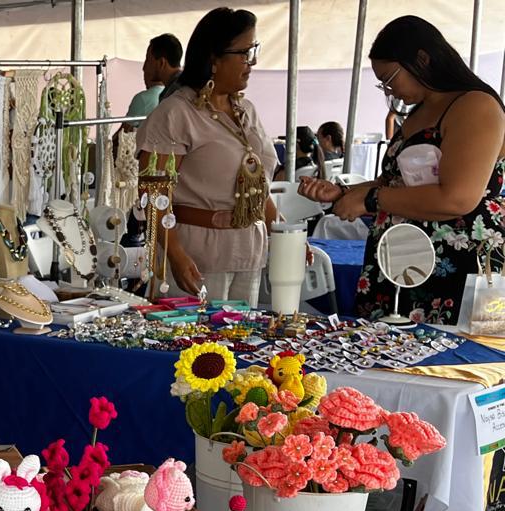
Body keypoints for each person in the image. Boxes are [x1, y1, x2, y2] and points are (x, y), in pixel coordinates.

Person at [300, 16, 505, 323]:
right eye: (382, 83)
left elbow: (458, 198)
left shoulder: (475, 105)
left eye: (391, 78)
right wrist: (346, 192)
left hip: (456, 268)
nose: (390, 90)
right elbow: (396, 182)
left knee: (446, 366)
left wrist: (369, 200)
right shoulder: (420, 111)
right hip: (401, 262)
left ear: (422, 58)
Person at [136, 8, 278, 303]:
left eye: (253, 51)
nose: (252, 62)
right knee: (194, 347)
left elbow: (257, 187)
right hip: (197, 256)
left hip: (248, 251)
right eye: (244, 53)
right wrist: (175, 255)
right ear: (214, 58)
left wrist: (284, 233)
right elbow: (152, 194)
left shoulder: (246, 110)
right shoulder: (176, 114)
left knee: (238, 343)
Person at [127, 34, 184, 127]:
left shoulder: (176, 93)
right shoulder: (179, 86)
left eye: (148, 60)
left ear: (161, 63)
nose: (144, 67)